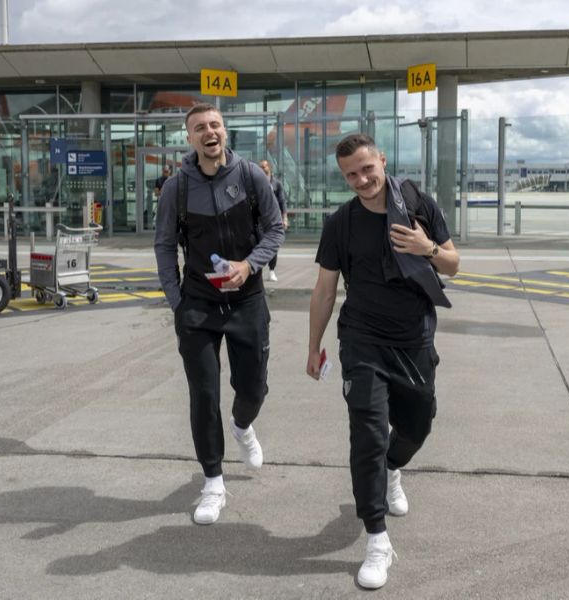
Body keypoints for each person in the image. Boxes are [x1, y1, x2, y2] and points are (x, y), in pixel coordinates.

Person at [305, 133, 459, 589]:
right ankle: (376, 537)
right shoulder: (341, 224)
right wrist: (313, 346)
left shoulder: (417, 205)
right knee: (367, 433)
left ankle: (394, 469)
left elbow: (453, 264)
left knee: (417, 425)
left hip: (413, 337)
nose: (361, 180)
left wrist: (426, 249)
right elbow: (325, 289)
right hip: (362, 339)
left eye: (366, 169)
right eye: (350, 174)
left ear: (382, 161)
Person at [154, 103, 284, 526]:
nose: (209, 133)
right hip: (197, 305)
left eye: (215, 125)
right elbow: (163, 245)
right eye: (199, 128)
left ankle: (243, 426)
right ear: (190, 139)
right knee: (203, 395)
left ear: (224, 132)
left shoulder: (251, 176)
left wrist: (250, 265)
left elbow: (275, 228)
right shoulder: (177, 187)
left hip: (247, 301)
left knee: (254, 388)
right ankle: (213, 482)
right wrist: (177, 302)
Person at [258, 159, 288, 281]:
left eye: (264, 166)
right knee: (258, 245)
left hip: (272, 220)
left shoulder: (277, 184)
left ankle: (271, 271)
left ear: (269, 168)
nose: (262, 169)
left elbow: (282, 201)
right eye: (260, 167)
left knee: (272, 246)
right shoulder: (256, 183)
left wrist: (284, 218)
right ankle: (257, 272)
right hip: (259, 220)